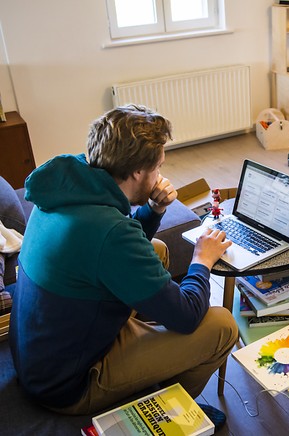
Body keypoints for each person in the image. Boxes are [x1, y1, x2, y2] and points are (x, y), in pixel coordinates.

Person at [9, 104, 238, 422]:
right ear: (137, 172)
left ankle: (149, 346)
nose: (160, 175)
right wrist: (201, 261)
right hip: (69, 383)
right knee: (222, 325)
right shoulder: (108, 230)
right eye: (157, 167)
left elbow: (113, 249)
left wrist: (153, 210)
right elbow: (186, 316)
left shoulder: (63, 187)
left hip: (42, 353)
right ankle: (171, 409)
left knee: (155, 249)